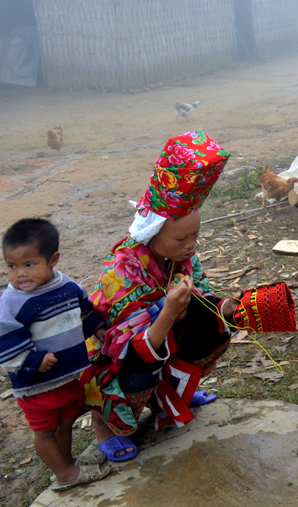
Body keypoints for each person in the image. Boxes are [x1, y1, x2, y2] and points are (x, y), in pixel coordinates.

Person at [83, 130, 235, 462]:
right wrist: (166, 313)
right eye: (181, 238)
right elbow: (117, 347)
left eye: (195, 234)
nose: (191, 245)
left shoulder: (182, 259)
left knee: (217, 330)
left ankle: (177, 393)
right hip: (118, 361)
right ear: (152, 232)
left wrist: (233, 309)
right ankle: (104, 425)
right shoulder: (121, 273)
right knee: (137, 377)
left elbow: (204, 294)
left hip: (160, 343)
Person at [0, 218, 110, 492]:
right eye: (12, 266)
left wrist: (95, 327)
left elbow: (82, 310)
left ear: (53, 260)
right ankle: (65, 475)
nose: (20, 274)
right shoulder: (12, 302)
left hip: (67, 374)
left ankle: (68, 462)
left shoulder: (67, 286)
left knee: (65, 421)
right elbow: (5, 340)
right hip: (36, 384)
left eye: (29, 264)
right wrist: (31, 360)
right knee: (45, 431)